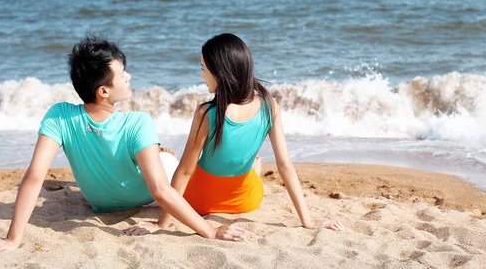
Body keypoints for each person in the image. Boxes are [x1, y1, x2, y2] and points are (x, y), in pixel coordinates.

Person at [0, 36, 245, 256]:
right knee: (181, 165)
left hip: (100, 204)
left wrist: (13, 238)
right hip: (146, 196)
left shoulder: (59, 115)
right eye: (122, 74)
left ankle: (158, 152)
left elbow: (34, 177)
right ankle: (164, 153)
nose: (128, 77)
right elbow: (161, 190)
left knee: (152, 157)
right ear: (103, 90)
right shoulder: (137, 122)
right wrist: (209, 231)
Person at [125, 33, 343, 236]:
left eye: (203, 69)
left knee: (171, 164)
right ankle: (253, 166)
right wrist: (308, 222)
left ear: (219, 73)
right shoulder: (270, 106)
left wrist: (161, 223)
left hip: (199, 201)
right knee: (255, 161)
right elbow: (285, 165)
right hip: (246, 200)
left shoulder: (207, 113)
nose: (201, 75)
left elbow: (185, 171)